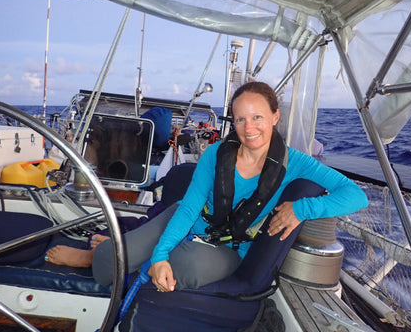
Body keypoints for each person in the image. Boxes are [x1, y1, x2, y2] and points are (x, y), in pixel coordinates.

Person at [46, 81, 368, 292]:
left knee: (183, 268)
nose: (248, 128)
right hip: (186, 220)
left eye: (257, 117)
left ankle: (131, 261)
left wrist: (303, 208)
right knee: (110, 260)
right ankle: (97, 257)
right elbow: (187, 208)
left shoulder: (297, 162)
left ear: (275, 117)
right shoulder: (215, 154)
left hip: (230, 248)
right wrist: (158, 252)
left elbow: (357, 196)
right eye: (240, 119)